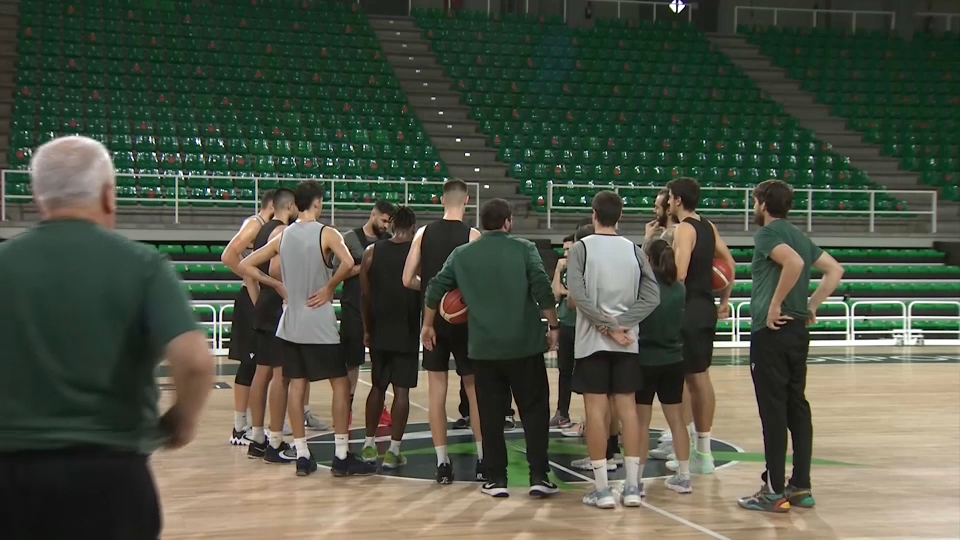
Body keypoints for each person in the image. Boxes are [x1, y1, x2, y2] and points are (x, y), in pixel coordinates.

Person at [0, 136, 215, 539]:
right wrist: (181, 422)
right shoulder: (144, 265)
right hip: (111, 477)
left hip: (10, 474)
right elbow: (195, 362)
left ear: (38, 197)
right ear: (107, 195)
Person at [423, 198, 559, 499]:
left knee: (491, 416)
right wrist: (553, 325)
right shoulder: (524, 249)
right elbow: (541, 286)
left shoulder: (462, 254)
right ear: (508, 221)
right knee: (534, 413)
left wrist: (428, 325)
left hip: (484, 349)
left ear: (482, 224)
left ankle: (497, 479)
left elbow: (434, 288)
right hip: (524, 345)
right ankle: (539, 476)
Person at [738, 180, 843, 513]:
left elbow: (794, 263)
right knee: (797, 406)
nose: (753, 207)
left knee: (773, 410)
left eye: (754, 201)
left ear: (763, 204)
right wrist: (811, 306)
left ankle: (774, 491)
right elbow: (834, 270)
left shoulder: (767, 234)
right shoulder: (799, 235)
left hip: (772, 332)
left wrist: (774, 304)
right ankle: (801, 486)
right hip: (797, 331)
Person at [566, 190, 660, 509]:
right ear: (620, 216)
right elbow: (652, 297)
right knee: (628, 410)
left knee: (596, 411)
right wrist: (623, 324)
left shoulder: (581, 248)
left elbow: (578, 294)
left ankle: (602, 489)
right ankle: (632, 487)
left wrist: (606, 326)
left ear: (594, 214)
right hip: (627, 343)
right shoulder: (634, 250)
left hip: (591, 342)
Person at [402, 178, 485, 484]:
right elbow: (480, 282)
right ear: (467, 201)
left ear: (440, 200)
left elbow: (406, 279)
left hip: (433, 320)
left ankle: (442, 463)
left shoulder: (423, 233)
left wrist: (430, 291)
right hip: (465, 323)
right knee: (474, 391)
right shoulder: (473, 235)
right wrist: (460, 300)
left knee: (436, 393)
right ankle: (482, 459)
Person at [660, 177, 736, 475]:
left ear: (678, 200)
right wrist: (724, 302)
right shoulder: (708, 226)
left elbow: (679, 275)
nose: (667, 202)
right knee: (699, 378)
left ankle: (696, 453)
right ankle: (700, 449)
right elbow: (730, 265)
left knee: (688, 380)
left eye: (669, 197)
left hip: (687, 307)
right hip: (705, 307)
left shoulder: (684, 229)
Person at [359, 206, 421, 469]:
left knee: (377, 386)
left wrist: (366, 329)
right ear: (414, 228)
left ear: (392, 225)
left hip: (379, 328)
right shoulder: (419, 254)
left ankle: (368, 445)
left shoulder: (372, 252)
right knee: (401, 391)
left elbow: (364, 295)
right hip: (406, 328)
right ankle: (394, 451)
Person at [240, 189, 298, 463]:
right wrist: (281, 287)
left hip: (264, 304)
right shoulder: (283, 231)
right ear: (291, 206)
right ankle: (275, 442)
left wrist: (258, 297)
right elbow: (275, 269)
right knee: (280, 375)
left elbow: (247, 267)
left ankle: (258, 438)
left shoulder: (263, 230)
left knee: (261, 373)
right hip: (275, 306)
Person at [635, 239, 693, 495]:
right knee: (677, 421)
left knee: (641, 423)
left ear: (648, 259)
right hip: (673, 360)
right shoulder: (679, 288)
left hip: (645, 360)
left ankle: (636, 481)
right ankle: (684, 476)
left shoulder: (643, 288)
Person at [221, 189, 275, 445]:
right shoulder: (255, 224)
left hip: (259, 298)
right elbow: (228, 255)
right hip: (249, 300)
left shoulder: (262, 226)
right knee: (249, 363)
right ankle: (239, 427)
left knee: (258, 364)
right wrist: (249, 276)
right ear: (273, 206)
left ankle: (251, 423)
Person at [338, 200, 395, 426]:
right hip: (353, 306)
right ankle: (347, 408)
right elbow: (338, 273)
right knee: (352, 361)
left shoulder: (389, 241)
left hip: (379, 308)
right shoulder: (350, 238)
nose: (386, 225)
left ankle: (379, 407)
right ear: (373, 214)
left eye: (389, 222)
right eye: (383, 220)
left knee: (381, 360)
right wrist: (364, 266)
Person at [549, 234, 577, 428]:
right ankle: (562, 413)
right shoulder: (564, 268)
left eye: (569, 249)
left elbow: (571, 294)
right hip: (566, 323)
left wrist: (565, 291)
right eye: (564, 249)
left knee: (589, 373)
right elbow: (555, 293)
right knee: (564, 370)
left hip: (583, 325)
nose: (565, 253)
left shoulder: (583, 267)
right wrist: (558, 271)